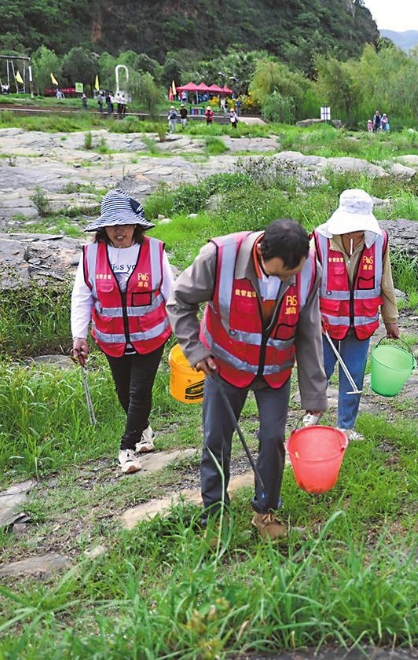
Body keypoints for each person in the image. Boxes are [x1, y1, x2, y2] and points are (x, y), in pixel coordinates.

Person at [166, 219, 328, 541]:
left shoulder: (309, 270)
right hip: (223, 367)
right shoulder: (220, 257)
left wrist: (314, 396)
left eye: (292, 275)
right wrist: (196, 351)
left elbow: (309, 332)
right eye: (280, 274)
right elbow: (180, 300)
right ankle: (215, 518)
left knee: (272, 441)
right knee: (216, 441)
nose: (287, 280)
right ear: (261, 253)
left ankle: (265, 515)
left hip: (275, 372)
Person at [70, 190, 174, 474]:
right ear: (103, 227)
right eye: (114, 225)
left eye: (126, 224)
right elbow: (82, 296)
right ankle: (144, 431)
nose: (120, 230)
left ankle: (126, 449)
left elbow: (171, 295)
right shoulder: (91, 255)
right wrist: (79, 335)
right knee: (123, 392)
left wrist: (187, 335)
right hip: (110, 338)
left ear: (136, 226)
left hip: (151, 336)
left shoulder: (154, 251)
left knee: (139, 391)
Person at [312, 190, 400, 440]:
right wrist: (310, 316)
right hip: (326, 325)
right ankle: (313, 415)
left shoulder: (379, 241)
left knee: (353, 375)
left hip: (362, 323)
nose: (355, 233)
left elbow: (386, 282)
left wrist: (390, 320)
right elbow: (305, 284)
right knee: (320, 372)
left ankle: (345, 427)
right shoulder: (319, 240)